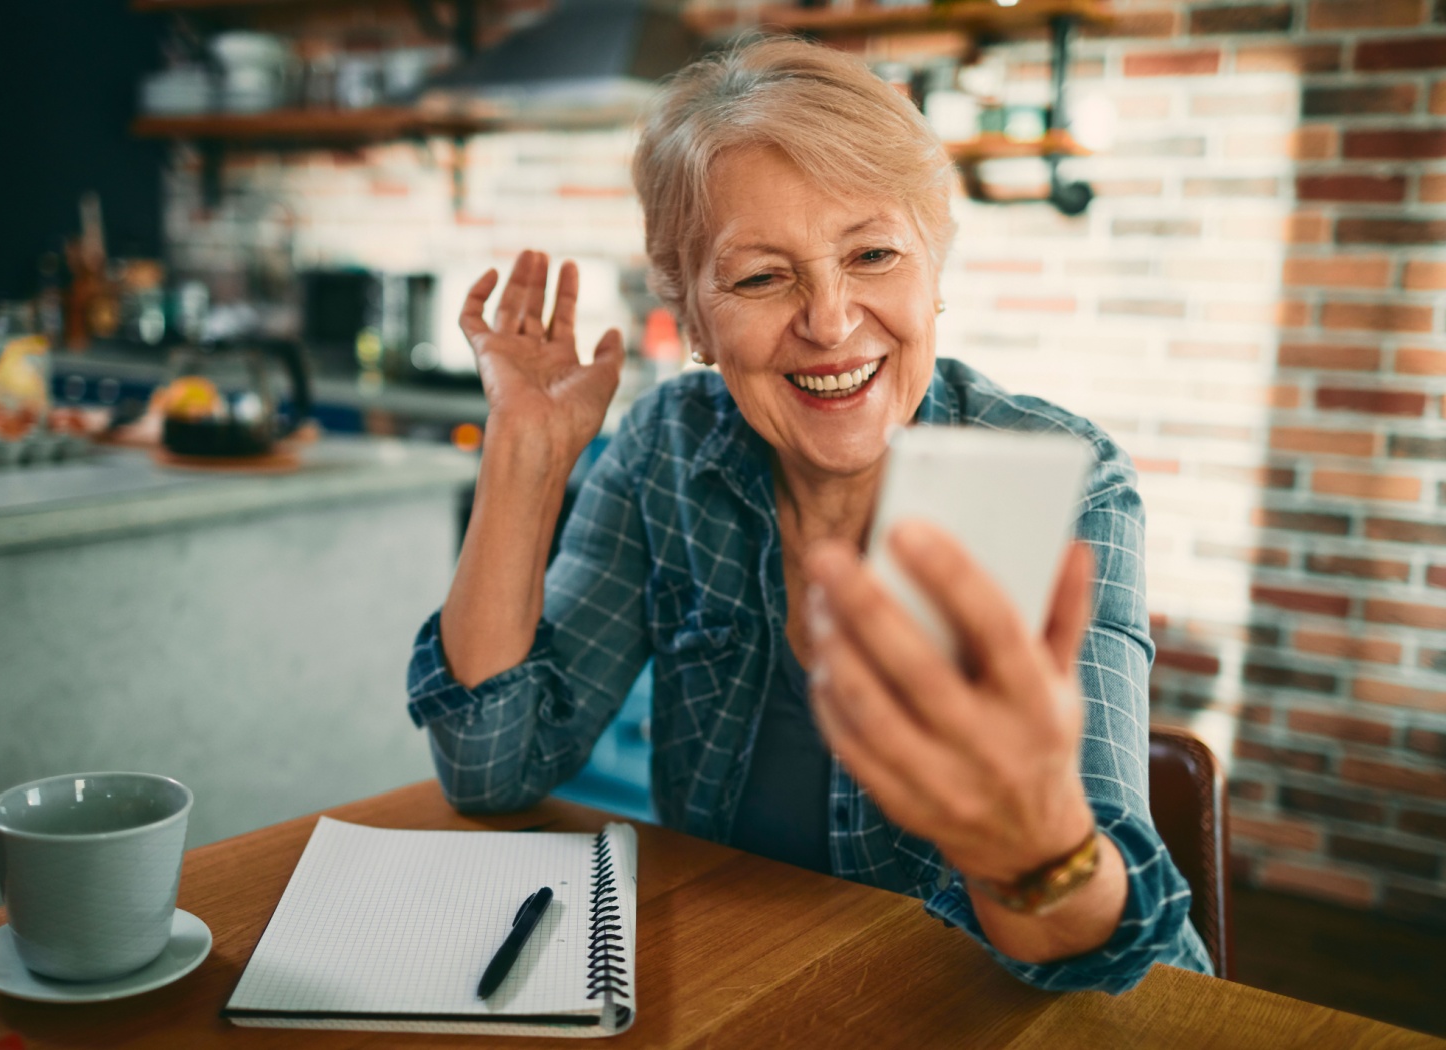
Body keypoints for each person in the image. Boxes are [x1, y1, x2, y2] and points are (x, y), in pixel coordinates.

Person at [406, 37, 1212, 993]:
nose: (830, 321)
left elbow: (1118, 965)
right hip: (752, 991)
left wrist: (1032, 844)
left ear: (934, 269)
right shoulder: (667, 448)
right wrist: (525, 457)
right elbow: (491, 768)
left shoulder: (1062, 482)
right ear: (693, 318)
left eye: (873, 254)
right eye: (759, 277)